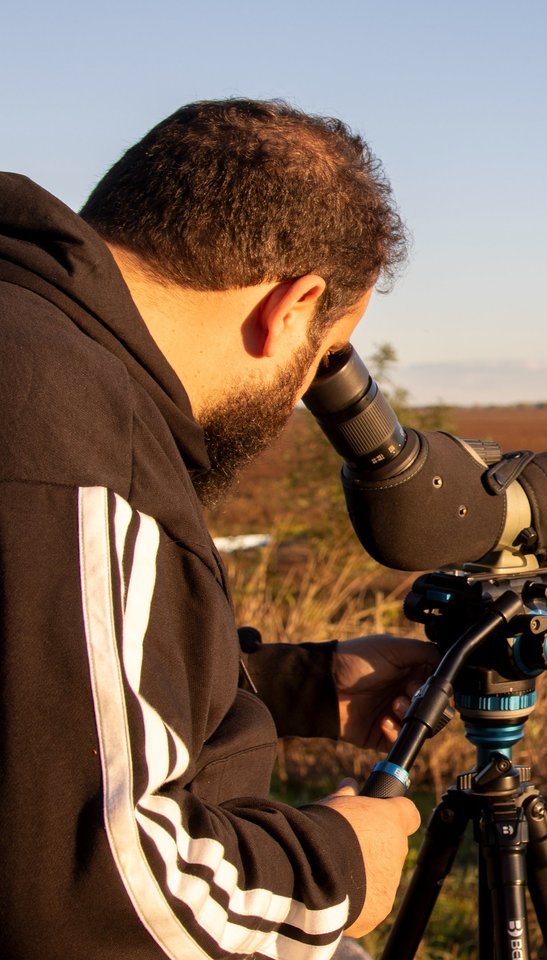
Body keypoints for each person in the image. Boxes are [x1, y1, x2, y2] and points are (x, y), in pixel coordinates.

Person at [0, 99, 439, 959]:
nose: (305, 393)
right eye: (323, 356)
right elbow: (100, 898)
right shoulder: (75, 434)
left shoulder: (36, 351)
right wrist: (343, 863)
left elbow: (40, 698)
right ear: (293, 304)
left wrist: (303, 685)